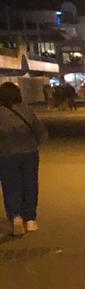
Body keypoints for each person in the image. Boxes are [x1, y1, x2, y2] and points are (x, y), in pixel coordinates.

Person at [0, 82, 47, 235]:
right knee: (30, 184)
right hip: (29, 153)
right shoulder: (27, 111)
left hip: (6, 155)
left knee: (10, 186)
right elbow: (41, 132)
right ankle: (30, 219)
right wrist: (34, 144)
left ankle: (16, 217)